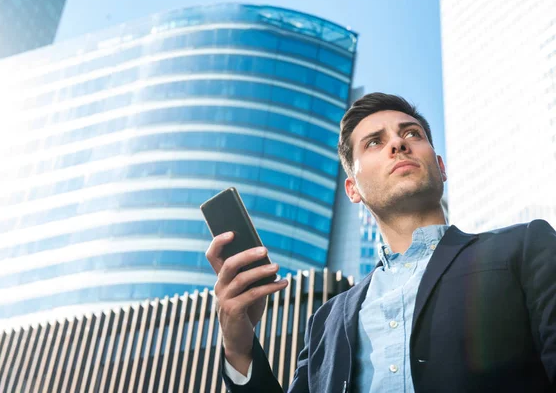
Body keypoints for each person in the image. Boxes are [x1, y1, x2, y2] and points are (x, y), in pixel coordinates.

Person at [205, 93, 556, 392]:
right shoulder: (326, 320)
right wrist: (239, 345)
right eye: (374, 142)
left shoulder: (525, 248)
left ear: (441, 167)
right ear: (353, 189)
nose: (398, 144)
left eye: (412, 134)